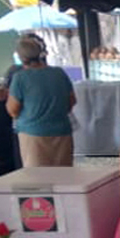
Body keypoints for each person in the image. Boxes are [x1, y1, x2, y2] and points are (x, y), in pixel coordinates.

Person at [6, 37, 76, 166]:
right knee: (65, 177)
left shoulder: (20, 78)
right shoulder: (59, 73)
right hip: (62, 132)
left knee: (38, 179)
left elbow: (12, 110)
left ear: (21, 57)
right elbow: (71, 101)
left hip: (33, 135)